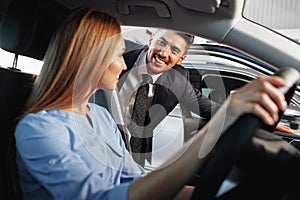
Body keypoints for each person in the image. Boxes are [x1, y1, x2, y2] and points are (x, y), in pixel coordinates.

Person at [14, 7, 288, 200]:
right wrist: (224, 118)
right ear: (92, 58)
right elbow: (104, 196)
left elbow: (132, 178)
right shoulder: (39, 129)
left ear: (180, 59)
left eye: (174, 51)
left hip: (138, 160)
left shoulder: (97, 115)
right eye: (117, 55)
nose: (122, 63)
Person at [114, 29, 221, 166]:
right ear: (151, 39)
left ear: (181, 59)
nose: (164, 53)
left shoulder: (178, 81)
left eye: (174, 51)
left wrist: (241, 109)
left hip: (135, 152)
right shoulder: (120, 52)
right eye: (161, 42)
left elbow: (210, 108)